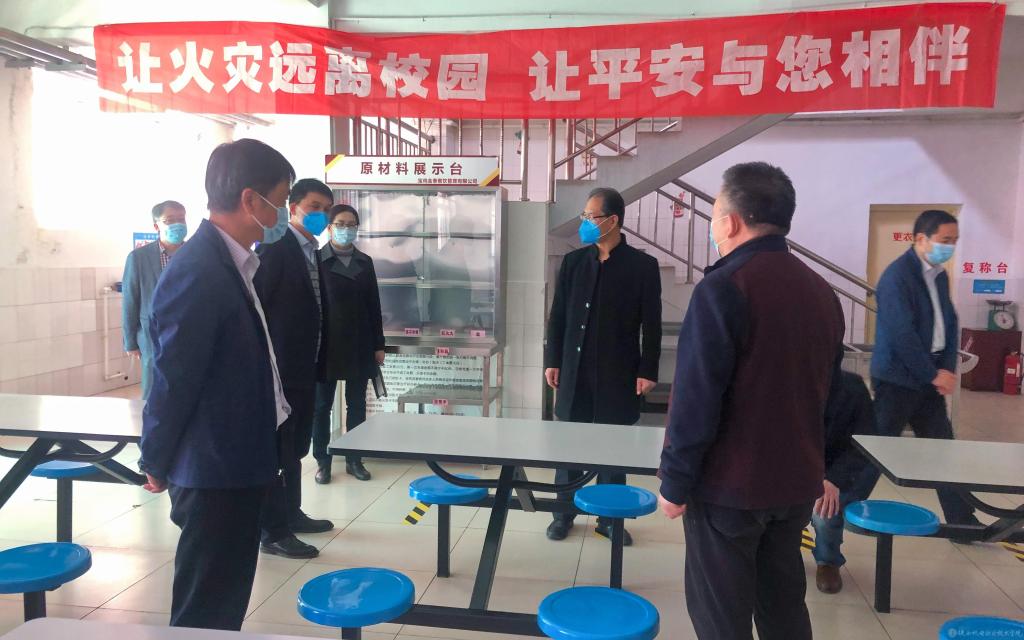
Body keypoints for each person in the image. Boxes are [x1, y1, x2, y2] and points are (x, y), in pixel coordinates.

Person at [657, 162, 846, 640]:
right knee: (783, 607)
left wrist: (675, 481)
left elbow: (696, 398)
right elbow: (829, 390)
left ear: (731, 221)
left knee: (722, 618)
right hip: (795, 484)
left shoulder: (724, 287)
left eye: (714, 214)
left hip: (730, 489)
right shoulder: (821, 291)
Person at [139, 139, 295, 630]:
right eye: (280, 200)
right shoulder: (200, 270)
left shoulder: (233, 261)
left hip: (238, 458)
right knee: (206, 608)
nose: (283, 213)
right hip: (213, 469)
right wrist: (154, 458)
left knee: (225, 597)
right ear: (251, 200)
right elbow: (172, 379)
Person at [544, 187, 662, 544]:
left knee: (613, 448)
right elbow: (558, 315)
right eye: (583, 215)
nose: (584, 222)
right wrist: (553, 360)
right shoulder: (573, 262)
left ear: (612, 220)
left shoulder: (642, 266)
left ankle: (610, 518)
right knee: (570, 444)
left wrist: (648, 370)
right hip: (574, 368)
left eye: (590, 216)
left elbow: (651, 323)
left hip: (618, 371)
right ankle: (563, 513)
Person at [870, 209, 979, 535]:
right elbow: (901, 334)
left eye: (954, 241)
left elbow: (949, 323)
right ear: (921, 238)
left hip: (928, 377)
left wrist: (946, 367)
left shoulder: (939, 275)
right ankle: (834, 511)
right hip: (897, 380)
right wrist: (932, 374)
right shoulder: (896, 277)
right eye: (945, 240)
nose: (950, 247)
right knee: (874, 452)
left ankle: (962, 522)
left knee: (942, 451)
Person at [255, 178, 336, 560]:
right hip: (281, 369)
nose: (321, 215)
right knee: (277, 450)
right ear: (294, 207)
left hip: (307, 366)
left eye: (326, 209)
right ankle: (273, 531)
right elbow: (258, 309)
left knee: (296, 447)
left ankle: (292, 514)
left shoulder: (312, 251)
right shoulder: (275, 248)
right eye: (314, 207)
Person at [311, 204, 386, 484]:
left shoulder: (365, 262)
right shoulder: (316, 260)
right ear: (329, 227)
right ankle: (323, 461)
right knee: (321, 407)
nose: (346, 229)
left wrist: (379, 344)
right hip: (326, 345)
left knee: (357, 404)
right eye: (340, 224)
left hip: (359, 342)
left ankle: (355, 459)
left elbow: (374, 305)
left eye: (351, 224)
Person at [810, 370, 877, 595]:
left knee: (825, 510)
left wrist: (832, 479)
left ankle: (827, 561)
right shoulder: (787, 382)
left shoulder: (852, 387)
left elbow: (864, 444)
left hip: (835, 472)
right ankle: (775, 556)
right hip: (795, 469)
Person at [122, 200, 187, 398]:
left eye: (181, 219)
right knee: (153, 389)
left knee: (185, 385)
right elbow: (130, 301)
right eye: (170, 220)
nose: (177, 224)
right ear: (157, 226)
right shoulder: (138, 258)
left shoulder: (195, 254)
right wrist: (130, 342)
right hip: (152, 334)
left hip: (187, 330)